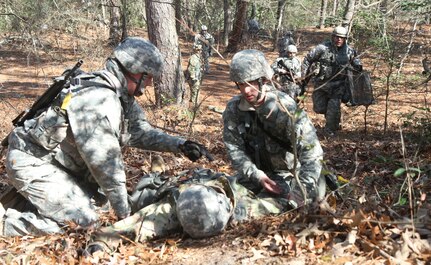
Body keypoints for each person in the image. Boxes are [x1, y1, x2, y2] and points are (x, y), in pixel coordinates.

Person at [0, 37, 211, 236]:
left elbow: (140, 132)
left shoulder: (118, 94)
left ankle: (29, 202)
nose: (148, 85)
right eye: (148, 78)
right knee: (86, 222)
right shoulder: (99, 99)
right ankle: (5, 224)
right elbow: (105, 165)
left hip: (60, 166)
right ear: (136, 72)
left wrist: (180, 145)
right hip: (34, 163)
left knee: (101, 208)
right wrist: (124, 215)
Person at [223, 49, 325, 211]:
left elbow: (313, 155)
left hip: (290, 177)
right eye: (241, 84)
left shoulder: (286, 108)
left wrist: (300, 192)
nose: (246, 90)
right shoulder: (234, 109)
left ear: (263, 80)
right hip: (256, 175)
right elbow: (234, 149)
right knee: (220, 197)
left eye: (250, 83)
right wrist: (257, 175)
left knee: (248, 211)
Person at [301, 26, 362, 136]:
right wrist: (304, 78)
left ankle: (330, 130)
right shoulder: (321, 48)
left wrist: (357, 66)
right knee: (319, 108)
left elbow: (357, 62)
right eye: (337, 37)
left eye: (342, 38)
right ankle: (333, 117)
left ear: (345, 39)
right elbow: (307, 60)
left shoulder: (349, 51)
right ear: (332, 37)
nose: (339, 40)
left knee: (333, 108)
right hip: (321, 84)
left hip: (338, 86)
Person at [185, 44, 204, 108]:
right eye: (199, 50)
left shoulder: (198, 57)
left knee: (196, 93)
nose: (200, 51)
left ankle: (195, 106)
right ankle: (193, 108)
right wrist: (193, 78)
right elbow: (191, 68)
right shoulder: (194, 57)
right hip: (193, 79)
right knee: (195, 93)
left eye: (200, 50)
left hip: (197, 78)